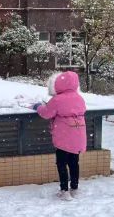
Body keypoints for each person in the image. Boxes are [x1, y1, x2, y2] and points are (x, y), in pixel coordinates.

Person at [33, 71, 87, 201]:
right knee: (74, 163)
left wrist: (38, 106)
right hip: (78, 136)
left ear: (59, 84)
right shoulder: (79, 98)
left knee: (61, 164)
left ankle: (64, 191)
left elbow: (46, 113)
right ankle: (75, 188)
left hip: (64, 137)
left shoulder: (57, 99)